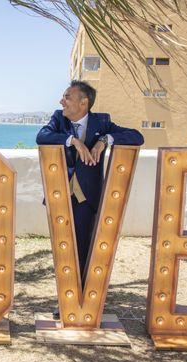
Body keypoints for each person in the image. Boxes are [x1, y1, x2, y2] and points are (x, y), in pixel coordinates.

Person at [36, 80, 144, 282]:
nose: (62, 101)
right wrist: (74, 141)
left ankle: (82, 299)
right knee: (63, 251)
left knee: (84, 249)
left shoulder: (102, 122)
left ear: (83, 102)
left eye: (67, 97)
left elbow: (137, 136)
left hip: (87, 198)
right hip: (60, 195)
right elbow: (42, 136)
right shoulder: (59, 118)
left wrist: (105, 140)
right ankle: (65, 300)